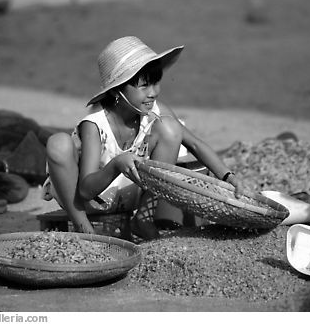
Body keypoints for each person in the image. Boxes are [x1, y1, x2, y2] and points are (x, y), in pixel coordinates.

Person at [43, 36, 247, 240]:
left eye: (156, 83)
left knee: (170, 127)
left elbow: (194, 143)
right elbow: (86, 190)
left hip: (130, 196)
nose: (154, 93)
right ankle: (84, 229)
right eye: (144, 86)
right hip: (85, 201)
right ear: (117, 90)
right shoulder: (95, 125)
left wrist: (229, 177)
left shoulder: (154, 112)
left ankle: (144, 218)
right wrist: (115, 165)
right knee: (58, 143)